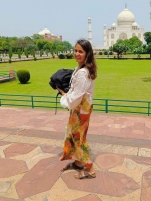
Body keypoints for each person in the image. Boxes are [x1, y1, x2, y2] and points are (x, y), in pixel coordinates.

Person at [57, 38, 97, 180]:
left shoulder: (82, 73)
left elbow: (76, 97)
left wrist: (63, 96)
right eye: (76, 50)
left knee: (78, 138)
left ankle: (90, 169)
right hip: (82, 108)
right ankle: (79, 162)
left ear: (87, 54)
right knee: (77, 135)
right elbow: (76, 92)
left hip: (81, 109)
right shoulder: (80, 69)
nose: (77, 54)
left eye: (81, 51)